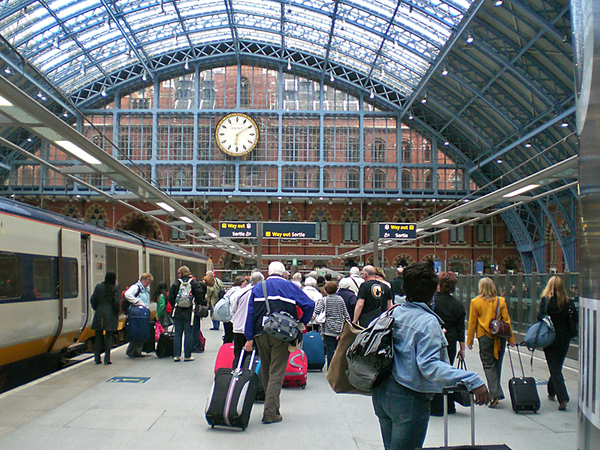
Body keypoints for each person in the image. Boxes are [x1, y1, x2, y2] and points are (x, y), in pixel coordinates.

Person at [372, 261, 489, 450]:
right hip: (409, 397)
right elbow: (429, 366)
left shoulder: (392, 313)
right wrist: (472, 379)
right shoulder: (428, 322)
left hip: (382, 394)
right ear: (433, 291)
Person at [244, 261, 315, 424]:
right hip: (281, 335)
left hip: (260, 333)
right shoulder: (290, 287)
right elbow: (309, 304)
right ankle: (270, 412)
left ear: (268, 273)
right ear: (284, 273)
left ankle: (274, 408)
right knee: (277, 372)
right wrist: (300, 322)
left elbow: (250, 314)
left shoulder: (257, 287)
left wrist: (249, 337)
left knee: (267, 369)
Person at [467, 277, 516, 408]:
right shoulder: (501, 301)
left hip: (484, 336)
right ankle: (496, 391)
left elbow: (472, 322)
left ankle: (495, 393)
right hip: (499, 336)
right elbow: (507, 320)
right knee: (497, 364)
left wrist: (469, 340)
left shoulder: (475, 302)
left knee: (488, 365)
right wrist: (511, 339)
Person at [538, 276, 578, 410]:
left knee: (554, 367)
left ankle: (563, 397)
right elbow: (575, 318)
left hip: (550, 337)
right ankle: (551, 391)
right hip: (564, 337)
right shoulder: (568, 301)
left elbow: (539, 316)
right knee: (557, 366)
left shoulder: (546, 301)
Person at [430, 271, 466, 416]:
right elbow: (460, 328)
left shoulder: (432, 301)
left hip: (433, 339)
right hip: (450, 341)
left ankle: (435, 405)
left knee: (433, 371)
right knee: (447, 370)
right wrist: (462, 348)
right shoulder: (457, 305)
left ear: (438, 285)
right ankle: (449, 405)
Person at [169, 266, 205, 362]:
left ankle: (176, 355)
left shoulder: (176, 283)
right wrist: (199, 304)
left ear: (180, 273)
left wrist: (175, 305)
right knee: (188, 334)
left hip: (178, 312)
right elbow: (199, 295)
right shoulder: (193, 283)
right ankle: (187, 355)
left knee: (178, 334)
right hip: (190, 312)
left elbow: (171, 296)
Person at [312, 281, 350, 368]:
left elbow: (317, 310)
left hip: (328, 329)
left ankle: (330, 368)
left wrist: (312, 316)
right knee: (338, 350)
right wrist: (349, 323)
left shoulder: (324, 299)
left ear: (325, 291)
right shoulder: (340, 299)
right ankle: (338, 368)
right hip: (339, 328)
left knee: (330, 350)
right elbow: (345, 313)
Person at [230, 270, 264, 364]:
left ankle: (236, 373)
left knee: (238, 354)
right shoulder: (261, 293)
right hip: (254, 329)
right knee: (255, 355)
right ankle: (252, 375)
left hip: (239, 327)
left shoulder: (240, 292)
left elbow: (233, 309)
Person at [90, 271, 120, 365]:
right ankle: (107, 359)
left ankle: (97, 358)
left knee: (98, 337)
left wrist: (97, 309)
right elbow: (116, 302)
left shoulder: (98, 287)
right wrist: (116, 311)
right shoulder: (115, 288)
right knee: (109, 337)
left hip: (99, 314)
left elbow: (92, 300)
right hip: (110, 315)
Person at [125, 272, 153, 358]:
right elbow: (127, 294)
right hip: (136, 314)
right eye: (147, 282)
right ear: (143, 280)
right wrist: (136, 302)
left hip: (142, 313)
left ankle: (138, 351)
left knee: (141, 332)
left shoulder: (145, 289)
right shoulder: (136, 287)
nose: (148, 284)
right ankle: (131, 351)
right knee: (137, 331)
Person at [221, 276, 247, 344]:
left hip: (227, 316)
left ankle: (225, 351)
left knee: (227, 337)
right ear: (240, 283)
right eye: (244, 284)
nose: (246, 285)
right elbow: (234, 306)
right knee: (233, 338)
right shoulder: (238, 292)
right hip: (232, 318)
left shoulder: (230, 291)